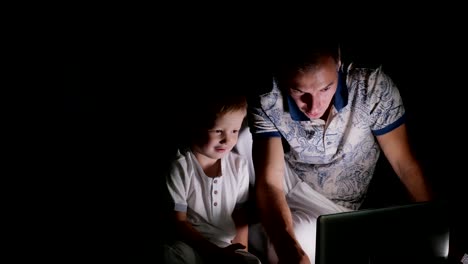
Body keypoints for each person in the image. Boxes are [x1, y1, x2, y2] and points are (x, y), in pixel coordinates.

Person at [247, 40, 433, 263]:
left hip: (334, 207)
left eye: (325, 88)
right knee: (237, 133)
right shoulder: (268, 97)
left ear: (339, 61)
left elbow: (405, 164)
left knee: (304, 240)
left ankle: (259, 231)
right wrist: (288, 247)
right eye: (299, 92)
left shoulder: (371, 86)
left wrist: (437, 228)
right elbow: (270, 182)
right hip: (290, 179)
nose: (314, 107)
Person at [163, 93, 262, 264]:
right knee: (171, 255)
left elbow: (240, 215)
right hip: (190, 244)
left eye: (235, 131)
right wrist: (212, 252)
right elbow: (178, 222)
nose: (227, 139)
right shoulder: (180, 167)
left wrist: (239, 250)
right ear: (195, 126)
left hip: (225, 244)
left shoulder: (239, 166)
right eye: (218, 131)